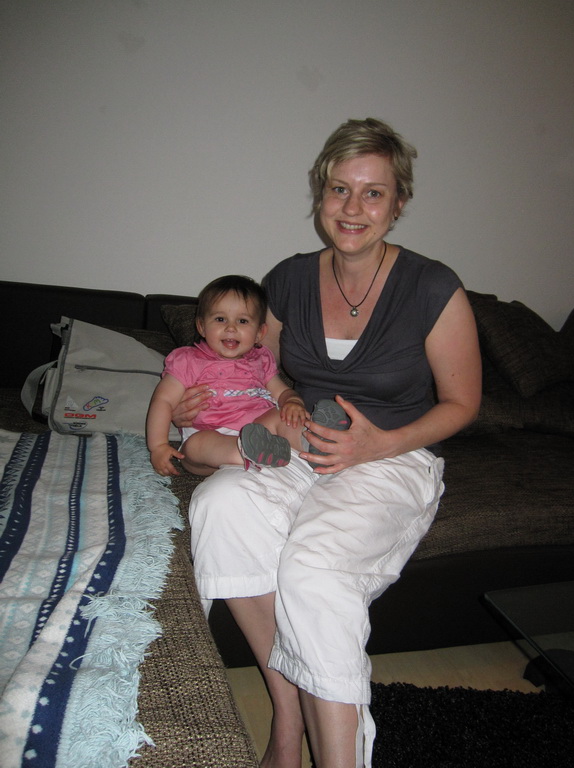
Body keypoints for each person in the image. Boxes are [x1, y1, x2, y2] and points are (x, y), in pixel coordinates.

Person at [176, 118, 482, 767]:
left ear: (398, 203)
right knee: (220, 506)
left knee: (313, 572)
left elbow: (463, 403)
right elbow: (261, 369)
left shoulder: (432, 286)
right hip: (301, 444)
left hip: (393, 454)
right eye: (340, 189)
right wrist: (225, 404)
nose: (352, 208)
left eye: (373, 193)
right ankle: (288, 720)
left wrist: (379, 444)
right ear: (321, 194)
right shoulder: (287, 279)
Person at [146, 275, 307, 477]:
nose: (231, 328)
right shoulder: (188, 360)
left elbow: (281, 391)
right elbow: (163, 400)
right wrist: (158, 445)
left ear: (259, 333)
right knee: (197, 445)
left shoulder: (261, 359)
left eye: (242, 321)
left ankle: (309, 444)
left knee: (284, 416)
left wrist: (293, 402)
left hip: (260, 430)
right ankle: (249, 453)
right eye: (220, 319)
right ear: (201, 326)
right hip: (209, 434)